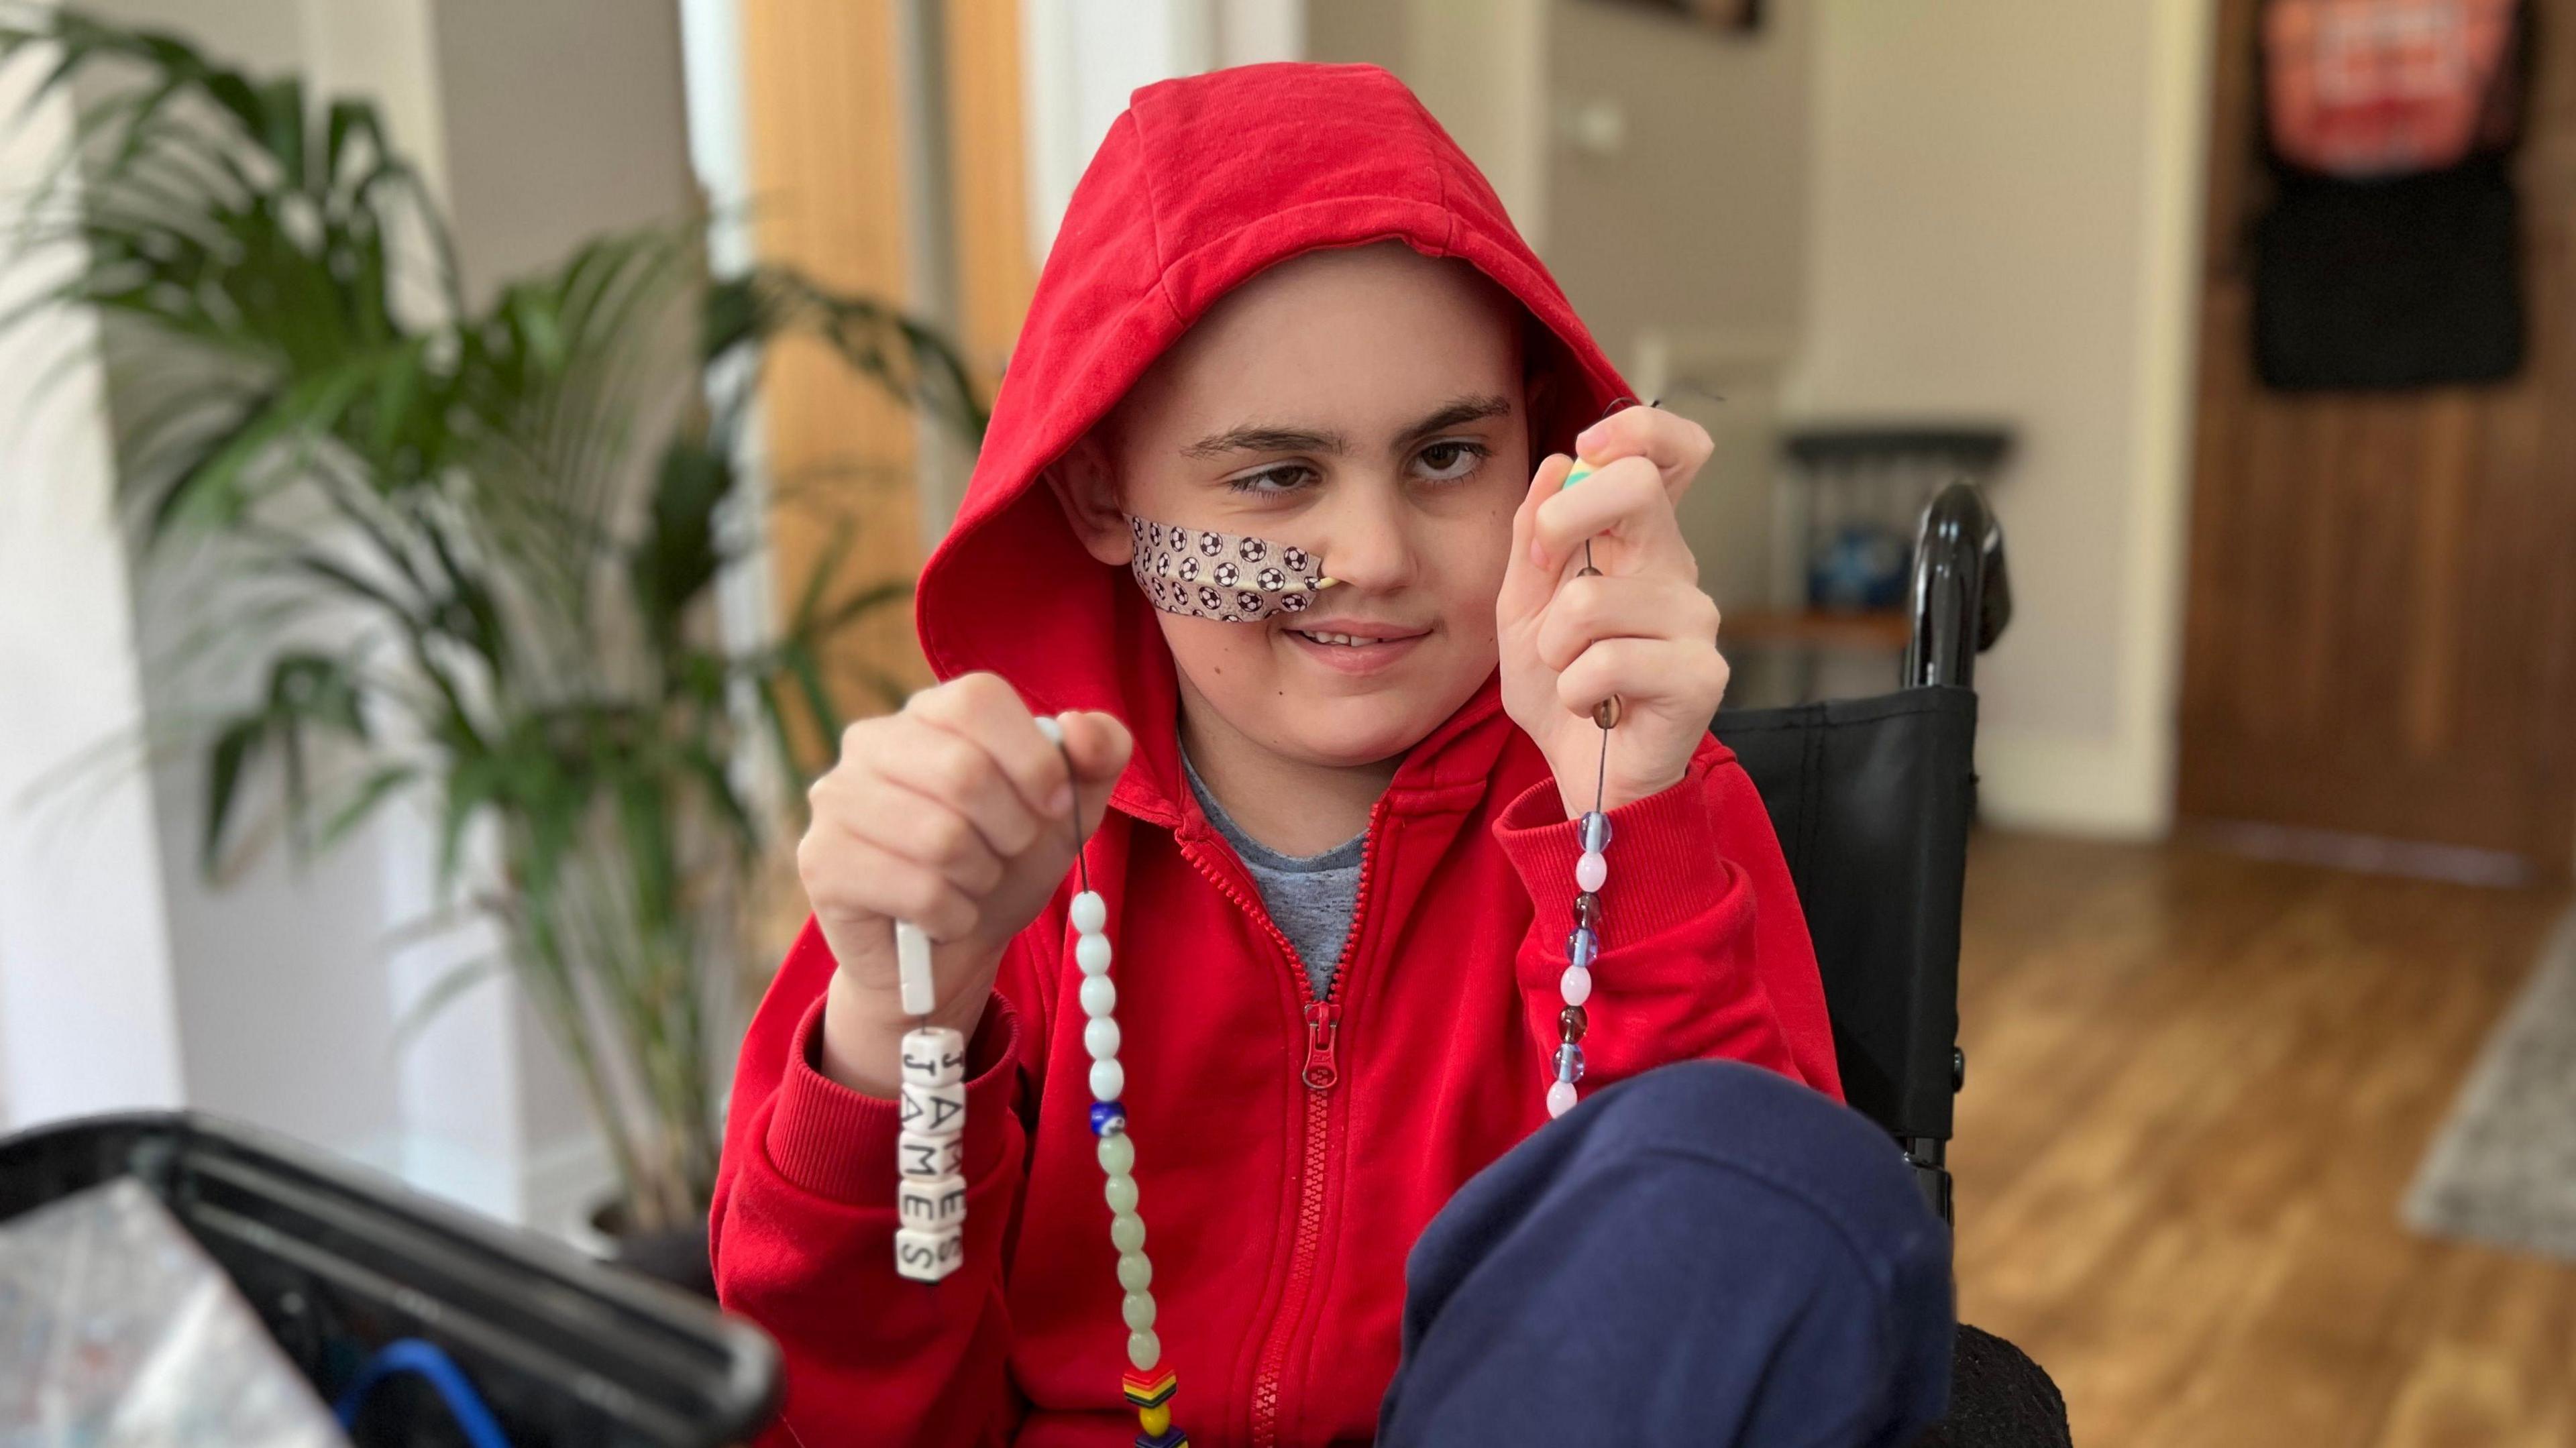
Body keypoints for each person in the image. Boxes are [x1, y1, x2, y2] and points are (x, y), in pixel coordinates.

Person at [710, 62, 1952, 1447]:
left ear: (1540, 456)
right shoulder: (990, 853)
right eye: (1276, 476)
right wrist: (895, 1035)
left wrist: (1635, 832)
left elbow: (1744, 1310)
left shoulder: (1658, 802)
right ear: (1102, 494)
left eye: (1445, 460)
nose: (1370, 559)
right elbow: (824, 1411)